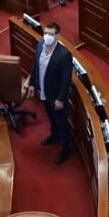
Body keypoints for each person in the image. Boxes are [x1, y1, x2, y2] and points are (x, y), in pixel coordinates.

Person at [25, 22, 74, 164]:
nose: (47, 37)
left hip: (56, 96)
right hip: (43, 91)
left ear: (57, 36)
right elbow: (35, 65)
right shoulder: (40, 44)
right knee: (51, 117)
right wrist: (33, 84)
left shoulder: (64, 54)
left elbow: (66, 79)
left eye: (51, 34)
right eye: (46, 33)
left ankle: (65, 148)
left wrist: (60, 99)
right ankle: (54, 135)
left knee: (61, 121)